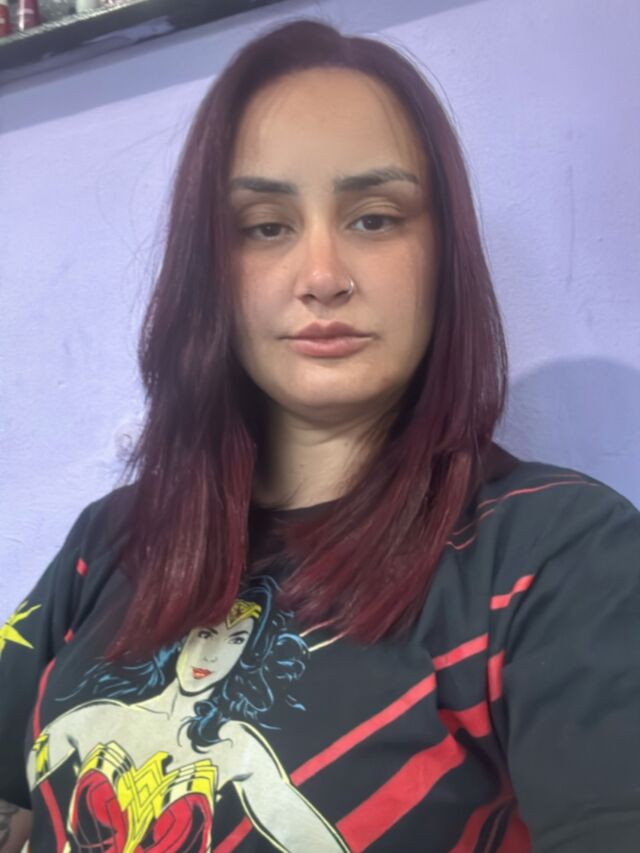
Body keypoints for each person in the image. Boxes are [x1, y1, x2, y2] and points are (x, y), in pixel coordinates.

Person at [1, 17, 638, 853]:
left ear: (442, 253)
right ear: (211, 269)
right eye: (266, 226)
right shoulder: (113, 539)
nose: (323, 276)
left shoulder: (558, 555)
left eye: (374, 218)